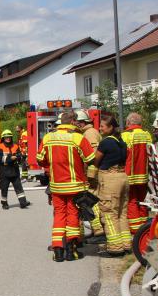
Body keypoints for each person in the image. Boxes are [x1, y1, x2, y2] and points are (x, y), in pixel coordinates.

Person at [36, 111, 95, 262]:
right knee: (73, 215)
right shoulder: (78, 138)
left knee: (59, 215)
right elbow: (91, 159)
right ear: (74, 121)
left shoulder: (49, 137)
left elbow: (40, 159)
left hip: (56, 186)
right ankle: (71, 251)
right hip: (75, 185)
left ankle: (57, 251)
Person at [92, 113, 130, 256]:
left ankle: (115, 249)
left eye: (102, 126)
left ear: (111, 127)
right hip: (123, 177)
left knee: (109, 214)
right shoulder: (121, 142)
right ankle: (126, 245)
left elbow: (96, 160)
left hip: (110, 179)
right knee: (122, 213)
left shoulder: (106, 142)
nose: (100, 128)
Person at [73, 109, 105, 243]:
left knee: (91, 202)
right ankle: (95, 231)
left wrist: (90, 175)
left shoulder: (90, 134)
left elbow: (93, 156)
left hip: (91, 175)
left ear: (81, 123)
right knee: (89, 202)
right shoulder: (87, 132)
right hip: (89, 174)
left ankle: (99, 233)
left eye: (76, 123)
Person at [122, 113, 153, 235]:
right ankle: (144, 228)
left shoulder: (125, 135)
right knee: (142, 201)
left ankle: (135, 230)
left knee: (131, 201)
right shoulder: (147, 135)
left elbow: (123, 154)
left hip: (129, 174)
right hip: (144, 174)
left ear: (128, 122)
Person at [0, 130, 30, 209]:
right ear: (3, 138)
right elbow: (0, 158)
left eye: (9, 137)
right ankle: (4, 203)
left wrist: (20, 157)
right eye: (6, 137)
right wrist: (10, 158)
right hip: (4, 170)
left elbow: (19, 156)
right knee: (4, 188)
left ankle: (23, 202)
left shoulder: (15, 146)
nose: (8, 139)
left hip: (14, 170)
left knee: (18, 187)